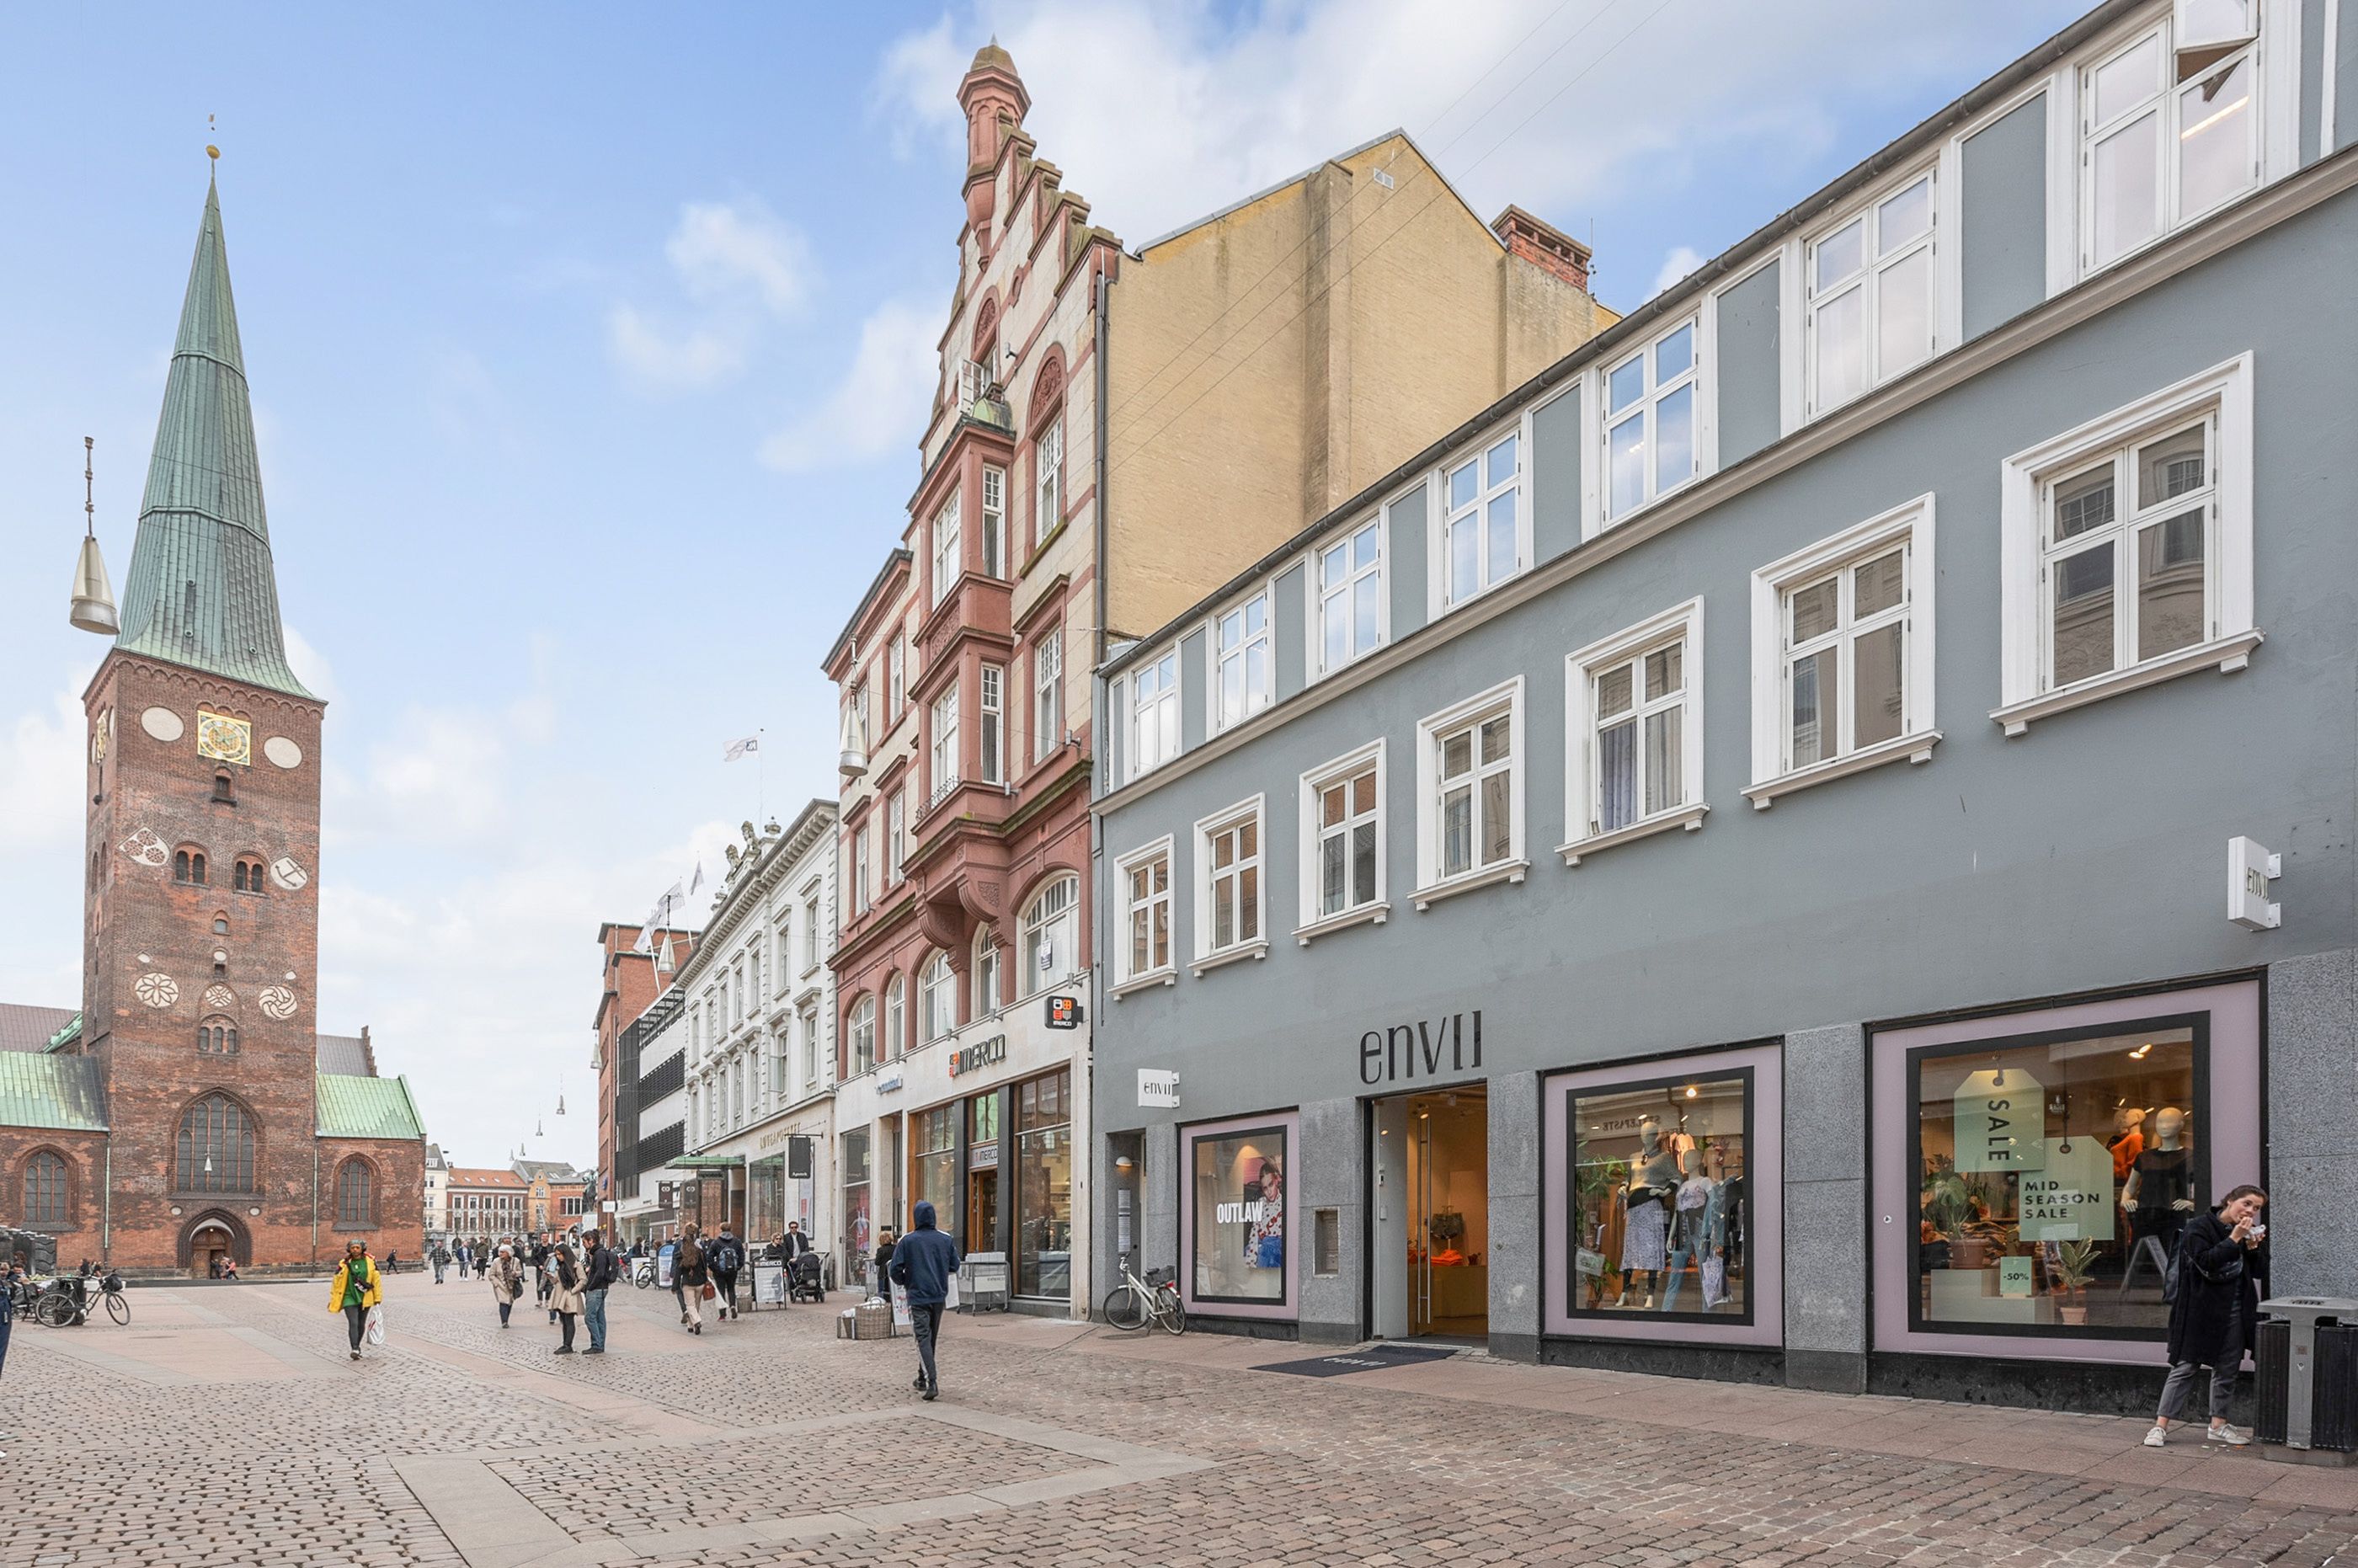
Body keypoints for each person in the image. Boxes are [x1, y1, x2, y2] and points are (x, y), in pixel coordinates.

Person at [2147, 1184, 2269, 1448]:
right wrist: (2234, 1238)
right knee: (2186, 1365)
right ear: (2230, 1200)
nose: (2250, 1211)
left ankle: (2218, 1425)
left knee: (2227, 1368)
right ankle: (2160, 1426)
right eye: (2247, 1203)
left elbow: (2259, 1272)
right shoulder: (2199, 1227)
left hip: (2235, 1309)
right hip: (2199, 1309)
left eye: (2257, 1208)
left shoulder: (2244, 1231)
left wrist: (2253, 1247)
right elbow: (2206, 1261)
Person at [889, 1202, 960, 1402]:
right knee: (930, 1338)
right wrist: (939, 1272)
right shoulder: (945, 1239)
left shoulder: (908, 1241)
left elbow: (895, 1269)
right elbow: (955, 1265)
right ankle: (922, 1376)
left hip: (918, 1295)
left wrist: (906, 1281)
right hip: (938, 1295)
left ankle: (932, 1381)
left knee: (922, 1338)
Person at [328, 1240, 381, 1362]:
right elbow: (336, 1281)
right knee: (353, 1322)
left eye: (357, 1247)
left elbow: (376, 1280)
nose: (355, 1250)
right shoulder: (344, 1263)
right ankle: (355, 1348)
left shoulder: (370, 1262)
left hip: (365, 1295)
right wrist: (334, 1298)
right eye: (353, 1248)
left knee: (361, 1323)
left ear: (362, 1249)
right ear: (349, 1249)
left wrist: (378, 1298)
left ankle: (357, 1346)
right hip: (349, 1296)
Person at [581, 1229, 618, 1355]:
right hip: (601, 1288)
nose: (583, 1245)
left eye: (584, 1242)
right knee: (599, 1317)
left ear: (591, 1241)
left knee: (590, 1317)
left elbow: (600, 1273)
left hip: (597, 1289)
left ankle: (597, 1344)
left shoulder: (599, 1254)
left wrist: (590, 1286)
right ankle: (599, 1344)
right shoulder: (599, 1253)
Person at [549, 1234, 584, 1355]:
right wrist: (551, 1277)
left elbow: (583, 1280)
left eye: (560, 1254)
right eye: (556, 1255)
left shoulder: (576, 1265)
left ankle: (568, 1345)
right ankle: (565, 1344)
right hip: (560, 1295)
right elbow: (556, 1281)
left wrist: (574, 1290)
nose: (558, 1257)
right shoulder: (560, 1266)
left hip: (570, 1295)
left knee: (569, 1320)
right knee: (564, 1320)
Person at [673, 1223, 707, 1335]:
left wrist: (675, 1286)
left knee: (690, 1305)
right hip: (700, 1282)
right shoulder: (700, 1251)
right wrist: (705, 1279)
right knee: (696, 1304)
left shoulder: (682, 1252)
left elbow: (678, 1270)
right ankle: (690, 1325)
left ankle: (696, 1322)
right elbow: (705, 1266)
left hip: (688, 1282)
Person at [709, 1225, 744, 1321]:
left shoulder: (716, 1242)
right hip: (732, 1271)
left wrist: (715, 1269)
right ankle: (732, 1306)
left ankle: (722, 1315)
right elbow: (741, 1255)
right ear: (730, 1229)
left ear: (721, 1230)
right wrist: (738, 1267)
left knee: (721, 1291)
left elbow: (710, 1258)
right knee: (731, 1289)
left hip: (720, 1271)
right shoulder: (736, 1242)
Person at [490, 1244, 524, 1327]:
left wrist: (515, 1273)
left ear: (508, 1253)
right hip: (500, 1285)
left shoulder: (516, 1261)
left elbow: (520, 1272)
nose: (500, 1254)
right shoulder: (496, 1261)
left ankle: (506, 1319)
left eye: (503, 1252)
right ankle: (504, 1322)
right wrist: (496, 1283)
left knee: (509, 1302)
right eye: (500, 1252)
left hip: (511, 1285)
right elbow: (491, 1275)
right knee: (503, 1302)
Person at [872, 1225, 898, 1304]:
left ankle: (883, 1305)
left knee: (882, 1292)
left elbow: (877, 1262)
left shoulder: (880, 1250)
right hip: (893, 1273)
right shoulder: (895, 1248)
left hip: (883, 1274)